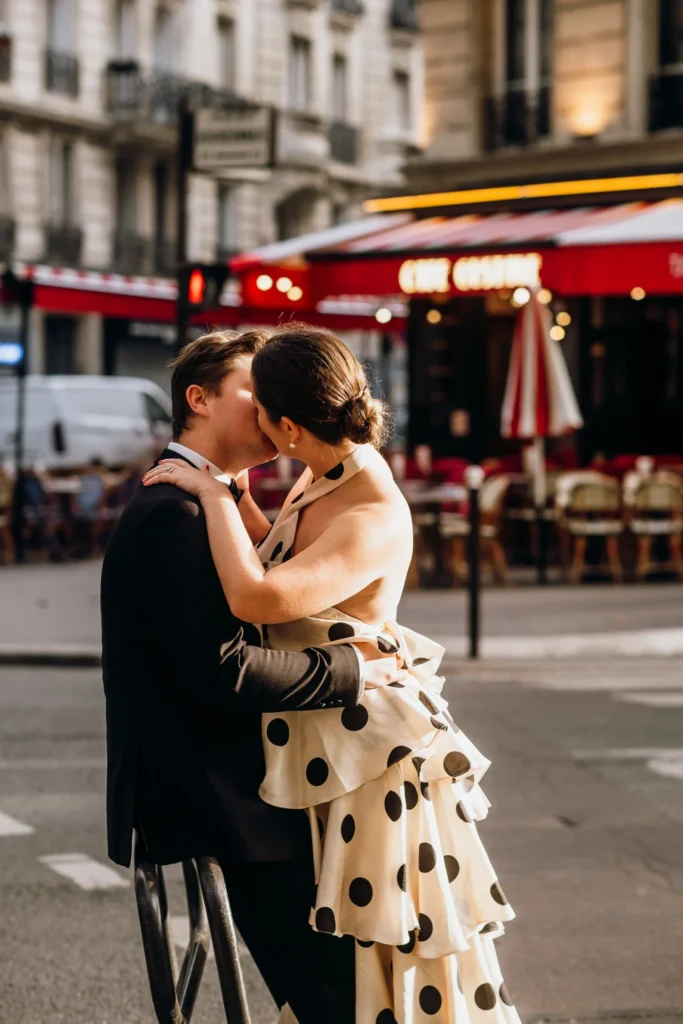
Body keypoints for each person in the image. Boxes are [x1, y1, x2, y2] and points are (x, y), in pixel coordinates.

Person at [145, 324, 522, 1024]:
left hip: (371, 762)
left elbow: (258, 596)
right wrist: (232, 493)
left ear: (286, 426)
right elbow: (276, 554)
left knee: (380, 949)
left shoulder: (369, 509)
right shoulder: (326, 472)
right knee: (343, 955)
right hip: (335, 746)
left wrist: (215, 496)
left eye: (259, 404)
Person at [101, 330, 402, 1024]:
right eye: (253, 392)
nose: (269, 409)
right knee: (342, 990)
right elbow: (225, 669)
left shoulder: (206, 504)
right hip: (219, 794)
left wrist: (224, 497)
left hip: (242, 776)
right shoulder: (172, 513)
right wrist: (351, 669)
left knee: (356, 973)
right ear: (198, 400)